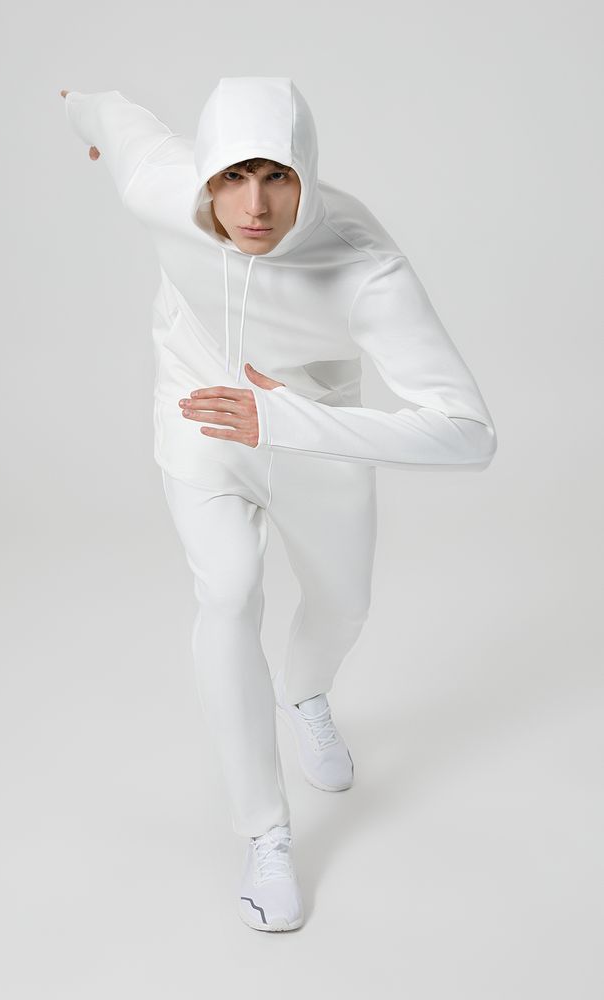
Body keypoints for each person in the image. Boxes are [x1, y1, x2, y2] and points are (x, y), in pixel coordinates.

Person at [61, 76, 497, 933]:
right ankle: (266, 835)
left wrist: (288, 419)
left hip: (315, 429)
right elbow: (109, 110)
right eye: (232, 176)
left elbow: (469, 434)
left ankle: (306, 696)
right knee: (226, 593)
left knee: (343, 603)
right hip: (197, 415)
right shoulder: (159, 185)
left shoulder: (363, 265)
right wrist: (83, 114)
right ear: (205, 176)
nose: (253, 206)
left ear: (307, 174)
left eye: (276, 177)